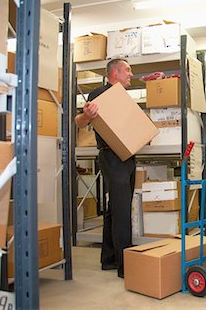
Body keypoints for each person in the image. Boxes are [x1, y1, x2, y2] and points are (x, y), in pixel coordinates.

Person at [75, 59, 135, 278]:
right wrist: (87, 114)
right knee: (122, 212)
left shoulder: (124, 98)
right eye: (127, 70)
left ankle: (108, 259)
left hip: (127, 156)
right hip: (111, 156)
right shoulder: (100, 94)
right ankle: (126, 267)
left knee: (115, 209)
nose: (131, 74)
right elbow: (80, 121)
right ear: (115, 72)